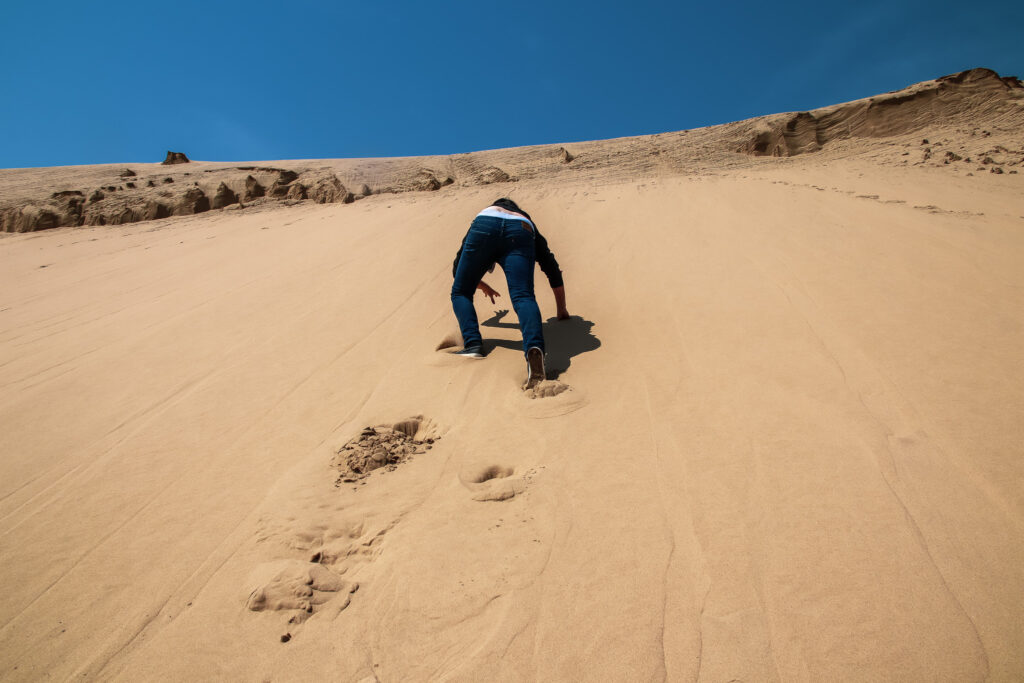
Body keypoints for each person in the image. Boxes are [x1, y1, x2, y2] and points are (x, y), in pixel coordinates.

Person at [450, 198, 569, 389]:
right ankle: (534, 348)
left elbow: (458, 274)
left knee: (461, 292)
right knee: (523, 296)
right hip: (521, 230)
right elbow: (550, 267)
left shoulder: (486, 214)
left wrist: (478, 284)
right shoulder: (525, 219)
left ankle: (473, 345)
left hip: (484, 225)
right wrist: (561, 309)